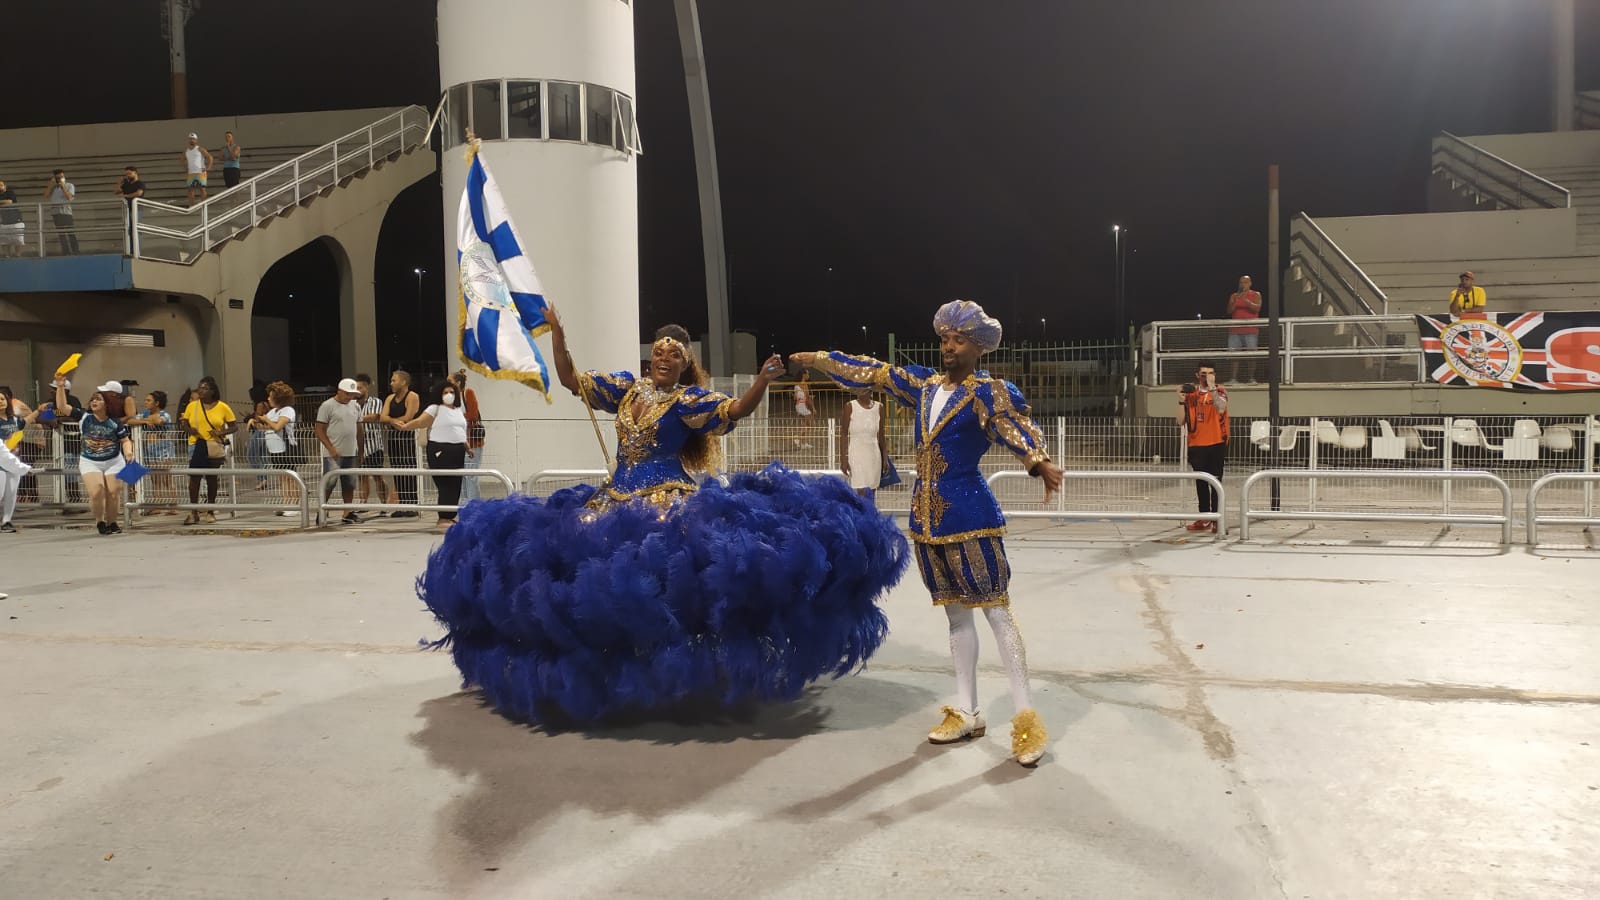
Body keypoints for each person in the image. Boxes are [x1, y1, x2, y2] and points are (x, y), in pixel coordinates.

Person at [417, 313, 908, 726]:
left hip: (664, 499)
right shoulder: (627, 389)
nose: (663, 358)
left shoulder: (687, 401)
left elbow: (734, 410)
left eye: (674, 354)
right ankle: (602, 668)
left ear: (685, 363)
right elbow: (570, 379)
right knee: (580, 577)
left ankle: (672, 671)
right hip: (614, 496)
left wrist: (761, 381)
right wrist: (557, 334)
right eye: (659, 350)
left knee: (667, 583)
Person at [794, 299, 1065, 767]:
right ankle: (967, 710)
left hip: (972, 516)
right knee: (956, 619)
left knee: (997, 615)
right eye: (944, 339)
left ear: (979, 347)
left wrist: (1036, 460)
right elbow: (874, 373)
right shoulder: (923, 385)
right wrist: (821, 359)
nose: (948, 347)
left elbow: (1014, 426)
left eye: (958, 340)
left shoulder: (988, 392)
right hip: (927, 520)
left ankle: (1025, 720)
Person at [54, 375, 136, 535]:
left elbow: (125, 440)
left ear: (107, 403)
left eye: (98, 399)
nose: (94, 402)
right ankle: (100, 521)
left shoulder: (114, 422)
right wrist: (60, 387)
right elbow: (62, 407)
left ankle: (113, 522)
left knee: (114, 492)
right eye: (92, 399)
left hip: (114, 460)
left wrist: (129, 452)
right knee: (96, 491)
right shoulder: (84, 416)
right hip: (90, 461)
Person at [394, 379, 467, 529]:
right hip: (440, 450)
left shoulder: (458, 410)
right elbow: (421, 422)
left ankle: (450, 515)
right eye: (445, 392)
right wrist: (406, 426)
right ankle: (443, 517)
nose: (449, 395)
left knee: (456, 484)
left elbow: (460, 430)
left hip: (458, 450)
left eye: (452, 392)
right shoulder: (435, 408)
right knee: (445, 484)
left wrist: (467, 446)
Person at [178, 376, 239, 525]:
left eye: (205, 388)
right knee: (194, 479)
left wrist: (220, 433)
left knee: (212, 479)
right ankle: (193, 512)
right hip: (196, 444)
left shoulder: (222, 407)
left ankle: (210, 511)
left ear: (212, 391)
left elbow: (234, 426)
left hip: (213, 445)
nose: (201, 390)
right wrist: (189, 430)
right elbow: (184, 423)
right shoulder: (192, 406)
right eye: (200, 387)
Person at [1177, 361, 1228, 532]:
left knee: (1216, 482)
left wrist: (1212, 388)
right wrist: (1180, 401)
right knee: (1201, 483)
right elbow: (1180, 421)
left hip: (1216, 442)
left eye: (1211, 373)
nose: (1207, 377)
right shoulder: (1191, 394)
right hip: (1196, 443)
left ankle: (1217, 519)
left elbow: (1221, 408)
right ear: (1198, 376)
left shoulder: (1220, 391)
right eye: (1204, 374)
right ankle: (1205, 517)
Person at [315, 378, 364, 525]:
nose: (350, 397)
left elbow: (359, 430)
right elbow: (319, 429)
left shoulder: (355, 406)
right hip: (333, 453)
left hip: (351, 451)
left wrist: (360, 451)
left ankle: (347, 512)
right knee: (329, 483)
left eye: (352, 394)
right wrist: (330, 448)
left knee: (349, 483)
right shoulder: (327, 406)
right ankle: (322, 510)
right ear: (339, 391)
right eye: (347, 394)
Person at [124, 390, 179, 515]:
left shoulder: (165, 414)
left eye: (149, 400)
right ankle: (158, 505)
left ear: (157, 403)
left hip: (165, 452)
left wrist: (148, 419)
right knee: (155, 479)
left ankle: (173, 505)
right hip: (151, 452)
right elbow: (130, 421)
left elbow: (159, 421)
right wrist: (144, 421)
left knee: (167, 479)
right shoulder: (145, 414)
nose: (145, 403)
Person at [379, 370, 421, 517]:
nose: (391, 383)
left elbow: (408, 417)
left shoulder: (412, 396)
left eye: (394, 380)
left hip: (407, 437)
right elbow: (383, 417)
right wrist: (392, 421)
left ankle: (412, 504)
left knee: (408, 468)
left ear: (403, 382)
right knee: (397, 469)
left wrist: (391, 420)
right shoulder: (390, 398)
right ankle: (402, 504)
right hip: (393, 438)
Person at [254, 381, 299, 515]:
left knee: (290, 477)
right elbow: (265, 426)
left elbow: (278, 426)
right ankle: (286, 503)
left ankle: (295, 505)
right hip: (274, 448)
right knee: (282, 477)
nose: (268, 399)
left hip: (286, 448)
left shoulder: (288, 410)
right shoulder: (273, 411)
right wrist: (255, 422)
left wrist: (266, 420)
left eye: (271, 396)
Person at [354, 373, 394, 515]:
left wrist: (356, 419)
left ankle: (384, 504)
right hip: (358, 446)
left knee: (377, 476)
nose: (357, 390)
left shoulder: (375, 401)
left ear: (366, 387)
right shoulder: (352, 403)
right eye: (355, 387)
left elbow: (374, 416)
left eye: (360, 387)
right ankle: (363, 503)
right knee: (361, 476)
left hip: (374, 445)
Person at [839, 387, 887, 502]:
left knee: (872, 492)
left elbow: (881, 436)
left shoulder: (879, 407)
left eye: (864, 389)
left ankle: (870, 517)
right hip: (857, 453)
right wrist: (843, 459)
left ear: (871, 390)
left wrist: (885, 458)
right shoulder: (850, 406)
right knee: (861, 492)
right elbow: (844, 434)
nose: (860, 392)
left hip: (874, 454)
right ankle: (862, 518)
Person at [449, 369, 486, 503]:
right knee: (463, 475)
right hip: (458, 441)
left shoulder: (467, 393)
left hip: (471, 440)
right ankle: (465, 504)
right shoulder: (450, 399)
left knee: (471, 475)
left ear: (458, 383)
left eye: (450, 381)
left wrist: (455, 418)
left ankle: (473, 504)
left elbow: (473, 415)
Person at [1227, 275, 1262, 383]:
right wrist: (1235, 301)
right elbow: (1229, 311)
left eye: (1245, 282)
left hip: (1251, 330)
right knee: (1234, 356)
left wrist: (1245, 300)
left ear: (1250, 283)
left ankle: (1251, 379)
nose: (1243, 284)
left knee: (1251, 356)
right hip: (1235, 331)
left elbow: (1256, 309)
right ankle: (1233, 379)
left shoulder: (1256, 294)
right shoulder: (1234, 295)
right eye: (1241, 282)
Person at [41, 169, 77, 255]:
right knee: (61, 234)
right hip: (56, 213)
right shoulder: (53, 188)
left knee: (70, 232)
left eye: (62, 177)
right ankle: (66, 252)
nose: (60, 179)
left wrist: (63, 186)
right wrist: (50, 184)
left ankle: (76, 251)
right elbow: (45, 196)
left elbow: (69, 197)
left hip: (66, 212)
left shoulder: (70, 185)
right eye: (58, 178)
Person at [114, 167, 145, 248]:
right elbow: (117, 192)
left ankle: (138, 249)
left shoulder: (140, 183)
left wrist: (126, 196)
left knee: (136, 229)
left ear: (135, 173)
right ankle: (130, 249)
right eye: (126, 174)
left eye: (129, 173)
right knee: (128, 229)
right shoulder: (126, 184)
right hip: (127, 209)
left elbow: (139, 193)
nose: (128, 176)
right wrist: (118, 183)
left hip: (136, 209)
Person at [182, 133, 213, 206]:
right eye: (190, 139)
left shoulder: (200, 149)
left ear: (196, 140)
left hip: (200, 172)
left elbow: (210, 157)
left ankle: (203, 206)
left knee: (202, 189)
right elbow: (181, 159)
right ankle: (192, 206)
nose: (192, 140)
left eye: (193, 139)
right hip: (191, 173)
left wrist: (208, 167)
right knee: (190, 190)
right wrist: (186, 168)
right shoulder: (186, 151)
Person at [0, 177, 23, 258]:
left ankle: (18, 255)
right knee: (4, 240)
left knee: (18, 240)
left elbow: (9, 201)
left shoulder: (10, 192)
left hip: (16, 220)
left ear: (4, 186)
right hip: (4, 221)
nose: (0, 187)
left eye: (1, 185)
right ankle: (7, 255)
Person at [792, 371, 815, 448]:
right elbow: (808, 397)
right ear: (803, 375)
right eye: (808, 373)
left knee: (806, 425)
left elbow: (795, 397)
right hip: (803, 406)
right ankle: (800, 439)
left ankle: (802, 441)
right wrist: (813, 408)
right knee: (810, 424)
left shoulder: (796, 386)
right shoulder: (804, 385)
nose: (809, 375)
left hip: (799, 405)